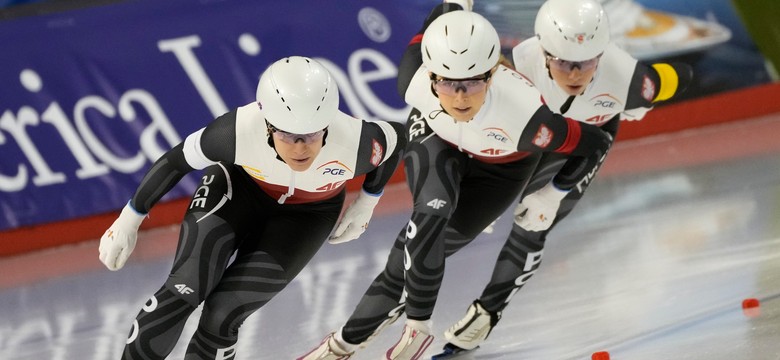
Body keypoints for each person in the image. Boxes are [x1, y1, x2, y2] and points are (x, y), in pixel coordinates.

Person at [297, 1, 615, 359]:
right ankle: (405, 333)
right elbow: (439, 20)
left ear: (492, 74)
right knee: (429, 217)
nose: (460, 96)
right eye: (447, 84)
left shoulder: (529, 117)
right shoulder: (412, 80)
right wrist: (454, 5)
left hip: (502, 171)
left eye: (473, 82)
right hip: (438, 142)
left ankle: (347, 342)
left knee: (405, 260)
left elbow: (596, 143)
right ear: (430, 76)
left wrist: (553, 194)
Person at [97, 56, 407, 359]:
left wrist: (367, 201)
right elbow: (174, 162)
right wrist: (129, 219)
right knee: (185, 287)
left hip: (307, 216)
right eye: (287, 134)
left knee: (224, 313)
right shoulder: (236, 130)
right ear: (268, 125)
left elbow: (398, 140)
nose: (300, 147)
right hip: (236, 190)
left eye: (312, 134)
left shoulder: (355, 141)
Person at [437, 0, 694, 355]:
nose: (574, 74)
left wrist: (555, 194)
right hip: (536, 134)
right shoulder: (519, 65)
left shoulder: (630, 79)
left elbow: (681, 77)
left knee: (534, 222)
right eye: (562, 62)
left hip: (585, 142)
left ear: (602, 54)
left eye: (586, 63)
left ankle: (487, 312)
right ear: (542, 51)